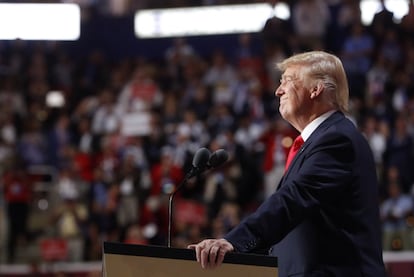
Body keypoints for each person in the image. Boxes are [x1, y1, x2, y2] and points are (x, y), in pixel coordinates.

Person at [188, 51, 386, 277]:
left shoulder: (337, 139)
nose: (278, 90)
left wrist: (234, 241)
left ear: (315, 89)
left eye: (288, 81)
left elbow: (294, 199)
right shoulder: (317, 142)